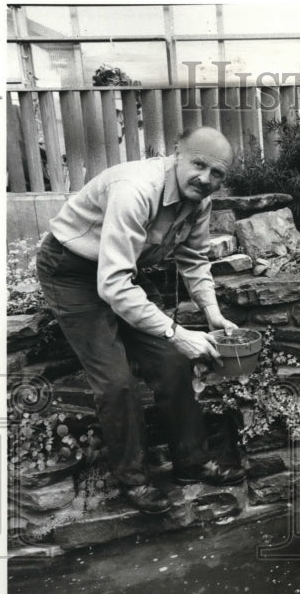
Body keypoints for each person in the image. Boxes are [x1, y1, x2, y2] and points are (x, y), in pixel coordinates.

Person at [36, 126, 245, 514]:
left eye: (218, 174)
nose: (206, 179)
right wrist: (175, 331)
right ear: (176, 155)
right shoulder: (135, 189)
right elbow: (112, 286)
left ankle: (192, 462)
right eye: (199, 165)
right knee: (116, 382)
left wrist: (212, 313)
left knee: (170, 362)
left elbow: (194, 259)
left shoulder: (199, 199)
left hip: (119, 273)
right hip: (71, 272)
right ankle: (134, 479)